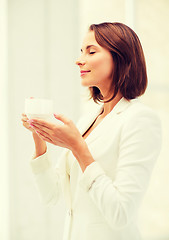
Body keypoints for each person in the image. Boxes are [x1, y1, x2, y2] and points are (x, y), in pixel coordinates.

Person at [21, 22, 162, 240]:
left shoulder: (140, 119)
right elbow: (52, 195)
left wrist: (77, 146)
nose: (79, 60)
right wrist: (40, 137)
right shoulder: (90, 118)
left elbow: (121, 213)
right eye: (81, 51)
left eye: (91, 51)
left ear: (120, 58)